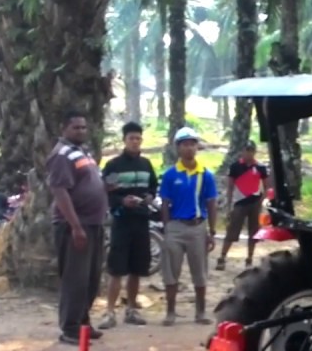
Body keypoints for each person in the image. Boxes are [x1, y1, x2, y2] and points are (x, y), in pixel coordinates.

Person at [47, 109, 108, 345]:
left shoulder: (82, 152)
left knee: (91, 277)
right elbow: (60, 191)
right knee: (76, 278)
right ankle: (70, 327)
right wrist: (75, 226)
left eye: (84, 127)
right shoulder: (61, 154)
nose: (81, 131)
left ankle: (83, 322)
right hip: (75, 225)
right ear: (64, 128)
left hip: (94, 223)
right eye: (76, 127)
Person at [97, 121, 159, 330]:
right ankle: (109, 312)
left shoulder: (146, 165)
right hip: (122, 222)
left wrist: (149, 197)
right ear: (124, 140)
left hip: (141, 221)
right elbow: (107, 191)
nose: (135, 142)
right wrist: (122, 201)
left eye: (138, 138)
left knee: (137, 268)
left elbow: (153, 187)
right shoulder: (114, 166)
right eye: (131, 138)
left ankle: (131, 310)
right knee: (116, 269)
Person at [158, 126, 217, 325]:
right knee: (171, 271)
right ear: (178, 148)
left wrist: (212, 230)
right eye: (185, 144)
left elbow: (211, 203)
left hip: (198, 227)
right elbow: (165, 203)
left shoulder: (206, 175)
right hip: (175, 225)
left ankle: (200, 312)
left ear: (197, 147)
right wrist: (167, 228)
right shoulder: (170, 175)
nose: (189, 148)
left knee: (199, 272)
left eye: (192, 144)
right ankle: (170, 312)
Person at [217, 140, 270, 270]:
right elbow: (230, 187)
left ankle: (249, 258)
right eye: (246, 150)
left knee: (253, 231)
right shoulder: (235, 167)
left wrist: (261, 201)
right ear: (242, 151)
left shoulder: (260, 168)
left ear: (254, 152)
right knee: (232, 230)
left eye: (251, 150)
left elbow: (266, 185)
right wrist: (229, 204)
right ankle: (222, 257)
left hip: (254, 203)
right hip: (239, 203)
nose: (248, 153)